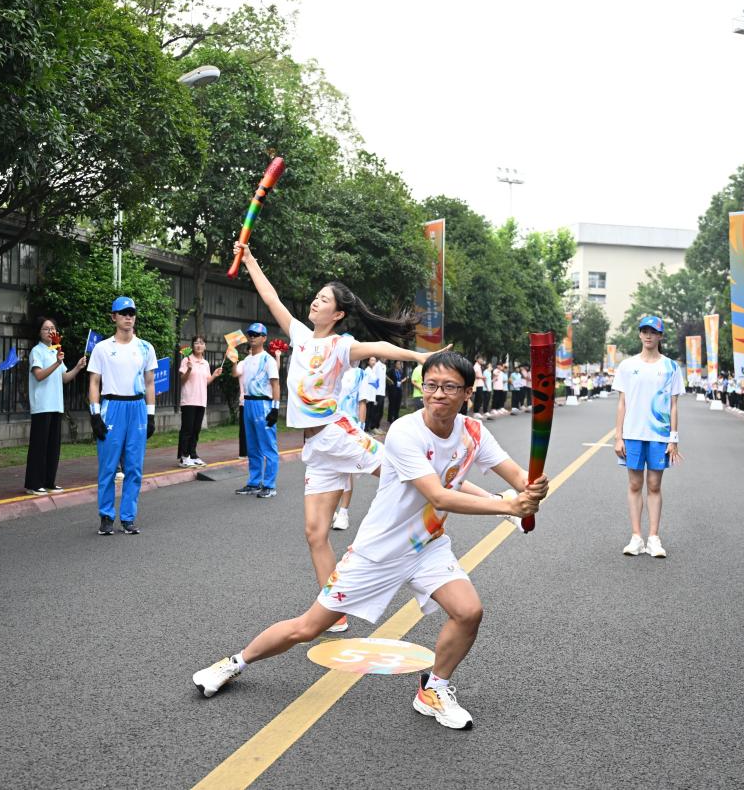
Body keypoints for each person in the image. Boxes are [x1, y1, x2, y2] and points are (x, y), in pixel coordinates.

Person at [192, 351, 548, 729]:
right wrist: (508, 507)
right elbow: (439, 497)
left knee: (468, 611)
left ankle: (434, 689)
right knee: (308, 628)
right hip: (377, 553)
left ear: (467, 393)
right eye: (430, 385)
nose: (438, 394)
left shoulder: (474, 432)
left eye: (449, 387)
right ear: (421, 388)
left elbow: (516, 475)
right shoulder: (405, 431)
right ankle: (234, 663)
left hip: (426, 546)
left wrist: (534, 486)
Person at [232, 240, 434, 635]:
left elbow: (380, 346)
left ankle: (487, 500)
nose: (315, 302)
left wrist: (420, 358)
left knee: (414, 476)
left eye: (323, 300)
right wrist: (250, 257)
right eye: (316, 297)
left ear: (338, 313)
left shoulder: (341, 345)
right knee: (315, 534)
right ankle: (336, 611)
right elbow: (270, 296)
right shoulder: (301, 337)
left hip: (338, 435)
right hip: (317, 450)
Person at [613, 315, 684, 559]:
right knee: (634, 484)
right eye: (644, 331)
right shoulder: (627, 366)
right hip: (632, 434)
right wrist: (618, 436)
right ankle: (636, 538)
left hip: (659, 435)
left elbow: (674, 405)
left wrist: (673, 438)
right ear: (640, 334)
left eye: (653, 332)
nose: (648, 335)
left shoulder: (671, 367)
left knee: (654, 485)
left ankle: (653, 537)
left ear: (660, 336)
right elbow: (622, 403)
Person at [88, 296, 157, 535]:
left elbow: (150, 383)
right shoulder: (102, 348)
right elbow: (94, 382)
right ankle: (106, 516)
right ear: (114, 316)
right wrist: (95, 414)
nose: (128, 317)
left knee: (134, 467)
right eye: (123, 312)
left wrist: (150, 415)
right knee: (108, 467)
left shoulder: (146, 347)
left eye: (132, 313)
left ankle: (128, 517)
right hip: (112, 407)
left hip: (137, 407)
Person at [24, 317, 87, 494]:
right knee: (39, 446)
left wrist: (77, 367)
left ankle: (49, 481)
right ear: (39, 332)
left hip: (56, 405)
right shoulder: (37, 351)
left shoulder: (55, 351)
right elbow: (38, 375)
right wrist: (57, 363)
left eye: (53, 328)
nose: (50, 332)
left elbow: (64, 377)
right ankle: (34, 484)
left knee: (53, 446)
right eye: (46, 329)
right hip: (42, 405)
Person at [232, 323, 281, 499]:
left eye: (256, 334)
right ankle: (254, 482)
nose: (252, 336)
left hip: (263, 405)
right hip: (248, 403)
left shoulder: (268, 360)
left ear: (264, 338)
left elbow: (275, 385)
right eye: (250, 334)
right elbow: (234, 373)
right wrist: (232, 359)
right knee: (252, 447)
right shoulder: (246, 360)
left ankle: (269, 485)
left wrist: (275, 409)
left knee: (268, 446)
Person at [331, 357, 370, 532]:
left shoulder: (359, 374)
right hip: (329, 425)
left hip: (350, 426)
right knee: (330, 469)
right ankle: (330, 509)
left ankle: (343, 512)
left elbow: (362, 402)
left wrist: (361, 428)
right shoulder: (330, 371)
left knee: (346, 471)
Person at [177, 335, 222, 468]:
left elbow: (205, 382)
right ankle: (184, 457)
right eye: (196, 343)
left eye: (201, 343)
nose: (199, 345)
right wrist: (189, 369)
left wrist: (214, 375)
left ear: (205, 346)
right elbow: (182, 380)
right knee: (187, 429)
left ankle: (193, 455)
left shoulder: (206, 363)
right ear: (192, 346)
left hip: (201, 400)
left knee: (196, 429)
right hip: (189, 400)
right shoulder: (186, 360)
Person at [386, 360, 404, 424]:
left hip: (399, 389)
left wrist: (403, 380)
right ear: (395, 364)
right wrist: (390, 381)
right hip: (392, 389)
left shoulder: (400, 371)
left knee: (397, 404)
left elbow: (401, 379)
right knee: (392, 404)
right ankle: (390, 418)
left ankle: (396, 417)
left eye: (400, 364)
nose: (399, 365)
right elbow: (386, 375)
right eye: (398, 364)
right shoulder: (391, 370)